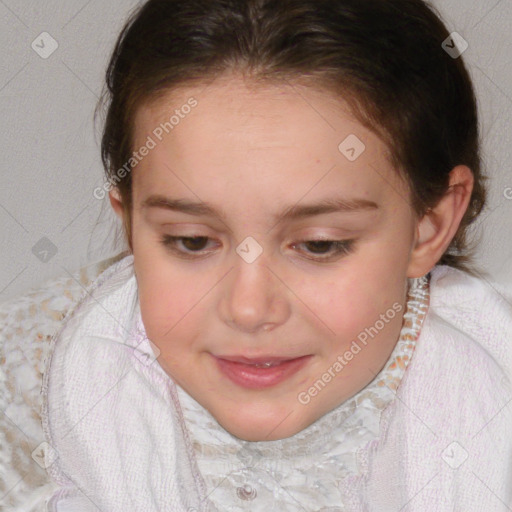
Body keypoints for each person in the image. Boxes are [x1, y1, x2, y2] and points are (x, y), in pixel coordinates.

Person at [37, 0, 512, 510]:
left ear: (429, 227)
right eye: (192, 241)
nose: (248, 308)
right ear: (129, 222)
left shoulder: (484, 397)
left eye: (319, 245)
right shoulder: (79, 384)